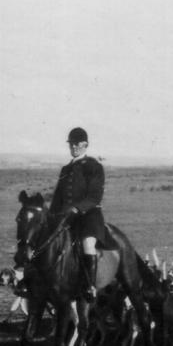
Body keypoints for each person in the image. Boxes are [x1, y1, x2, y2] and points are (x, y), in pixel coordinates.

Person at [50, 127, 106, 302]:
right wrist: (51, 215)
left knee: (88, 244)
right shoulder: (65, 169)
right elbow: (58, 197)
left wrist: (77, 208)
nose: (73, 147)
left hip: (88, 216)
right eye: (71, 144)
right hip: (66, 217)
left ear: (85, 145)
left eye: (77, 144)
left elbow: (94, 197)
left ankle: (90, 286)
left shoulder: (94, 166)